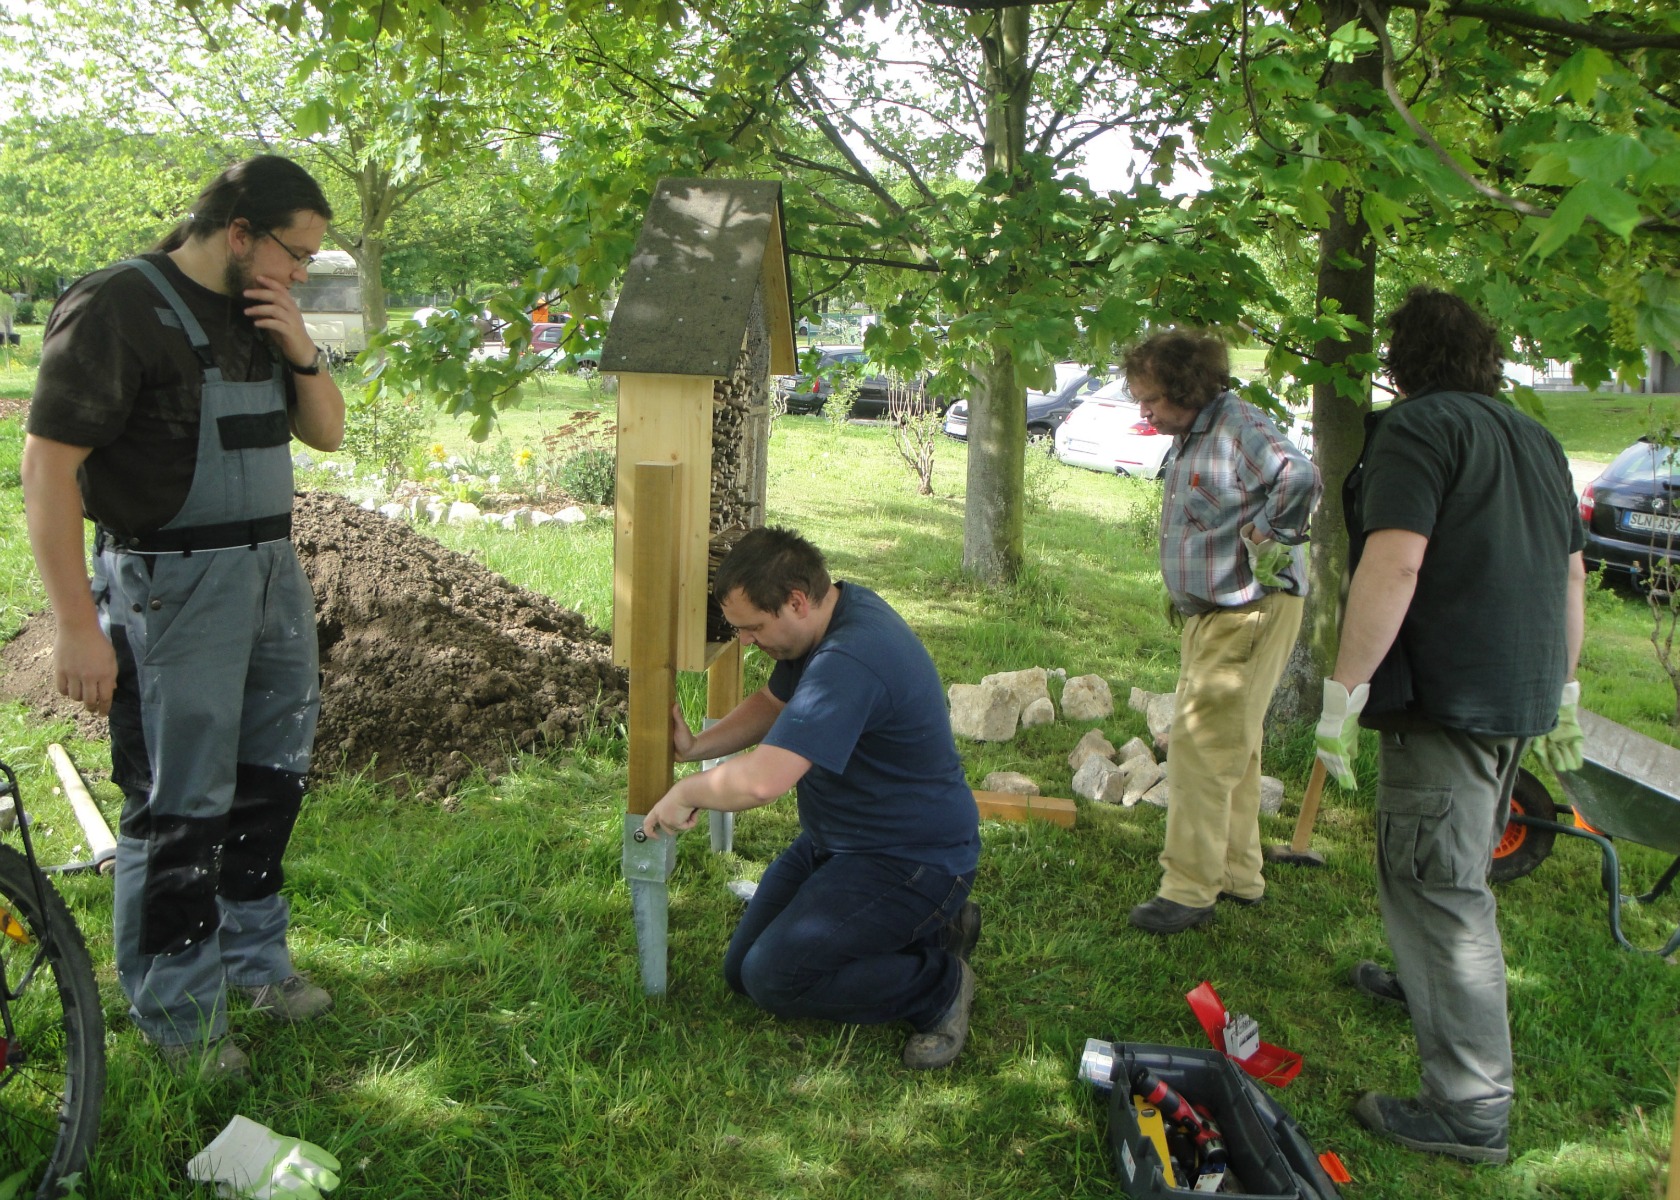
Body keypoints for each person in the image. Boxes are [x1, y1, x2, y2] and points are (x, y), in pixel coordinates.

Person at [21, 155, 346, 1081]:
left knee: (269, 778)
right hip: (169, 587)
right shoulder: (118, 306)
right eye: (295, 254)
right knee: (177, 804)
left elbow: (324, 432)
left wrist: (299, 344)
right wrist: (77, 627)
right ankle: (177, 1012)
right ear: (238, 231)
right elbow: (46, 473)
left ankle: (254, 967)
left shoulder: (262, 314)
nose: (300, 273)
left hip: (269, 573)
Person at [1315, 287, 1585, 1164]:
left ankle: (1470, 1109)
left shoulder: (1418, 433)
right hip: (1522, 689)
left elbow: (1395, 562)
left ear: (1401, 362)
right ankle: (1425, 978)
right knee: (1455, 862)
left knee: (1438, 883)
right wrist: (1567, 688)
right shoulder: (1536, 438)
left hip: (1452, 695)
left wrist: (1344, 687)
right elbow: (1574, 577)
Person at [642, 527, 982, 1069]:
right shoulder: (827, 618)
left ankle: (939, 985)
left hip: (914, 859)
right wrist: (696, 748)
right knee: (741, 974)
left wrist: (689, 792)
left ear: (796, 601)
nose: (746, 642)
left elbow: (763, 781)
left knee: (774, 977)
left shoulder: (852, 657)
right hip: (838, 843)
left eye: (752, 628)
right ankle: (941, 928)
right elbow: (774, 705)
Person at [1124, 329, 1322, 935]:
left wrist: (1268, 532)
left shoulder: (1235, 425)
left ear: (1188, 387)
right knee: (1236, 746)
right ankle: (1238, 874)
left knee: (1200, 748)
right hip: (1217, 615)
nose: (1144, 410)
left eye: (1152, 398)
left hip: (1248, 610)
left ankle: (1188, 889)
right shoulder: (1194, 434)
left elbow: (1299, 476)